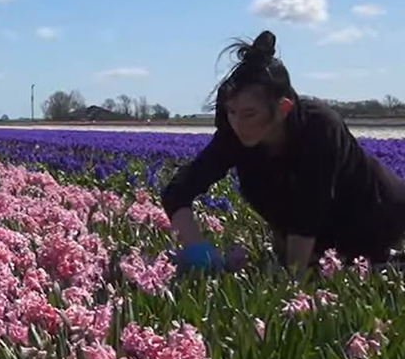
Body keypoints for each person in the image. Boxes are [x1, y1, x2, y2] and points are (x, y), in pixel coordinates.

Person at [161, 30, 405, 273]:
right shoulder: (234, 131)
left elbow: (308, 212)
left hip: (375, 213)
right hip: (308, 227)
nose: (237, 123)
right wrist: (197, 251)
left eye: (249, 113)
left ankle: (378, 260)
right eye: (231, 111)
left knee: (335, 269)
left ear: (282, 108)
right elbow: (178, 191)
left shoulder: (320, 126)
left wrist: (292, 282)